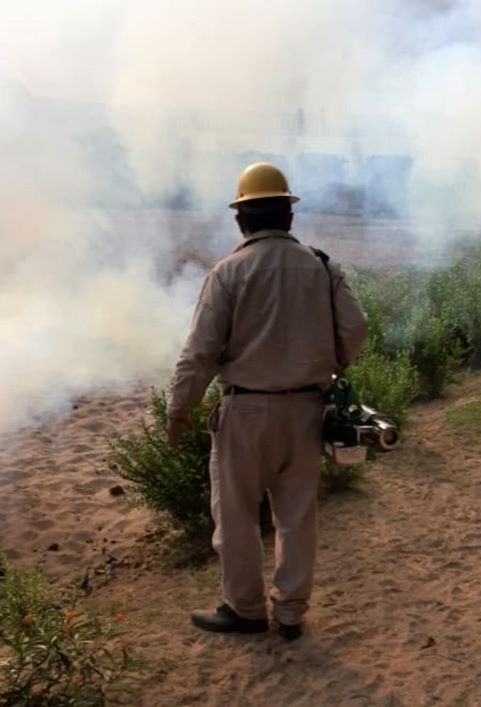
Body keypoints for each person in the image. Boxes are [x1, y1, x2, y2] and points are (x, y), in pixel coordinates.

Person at [166, 162, 368, 640]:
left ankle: (246, 609)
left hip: (246, 413)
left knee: (235, 516)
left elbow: (199, 353)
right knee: (297, 516)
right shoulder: (321, 265)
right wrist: (330, 364)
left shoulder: (227, 273)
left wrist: (179, 411)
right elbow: (355, 328)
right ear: (288, 216)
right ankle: (292, 612)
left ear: (242, 220)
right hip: (307, 411)